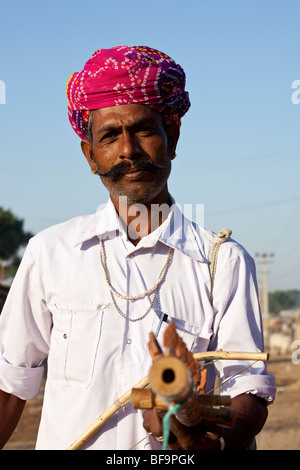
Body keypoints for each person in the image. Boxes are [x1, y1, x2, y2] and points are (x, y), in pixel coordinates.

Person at [0, 45, 275, 451]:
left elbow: (247, 391)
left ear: (173, 137)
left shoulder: (224, 262)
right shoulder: (50, 254)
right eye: (110, 136)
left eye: (143, 130)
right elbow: (10, 383)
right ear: (90, 155)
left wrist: (199, 434)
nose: (128, 150)